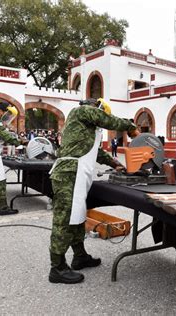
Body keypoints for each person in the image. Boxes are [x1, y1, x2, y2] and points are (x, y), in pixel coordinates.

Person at [48, 98, 138, 284]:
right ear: (95, 108)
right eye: (100, 113)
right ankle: (56, 267)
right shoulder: (80, 111)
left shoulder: (84, 129)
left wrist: (115, 163)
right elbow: (107, 120)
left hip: (77, 174)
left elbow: (94, 152)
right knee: (64, 219)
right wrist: (130, 127)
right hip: (69, 173)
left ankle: (79, 256)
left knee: (78, 216)